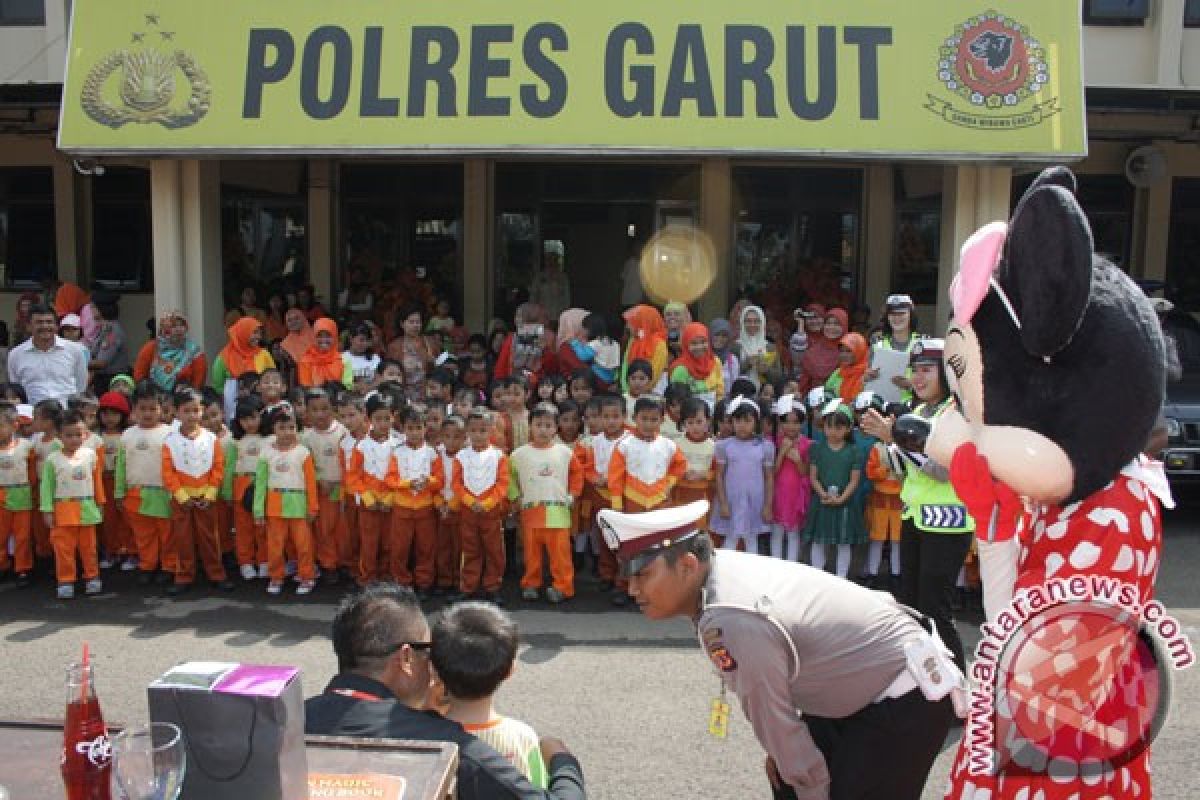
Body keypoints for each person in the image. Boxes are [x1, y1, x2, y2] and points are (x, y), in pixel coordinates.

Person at [602, 501, 957, 800]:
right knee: (790, 777)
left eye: (642, 575)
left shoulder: (730, 618)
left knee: (806, 780)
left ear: (687, 565)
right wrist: (788, 760)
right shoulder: (718, 570)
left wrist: (806, 779)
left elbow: (773, 714)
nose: (632, 588)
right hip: (865, 681)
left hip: (905, 695)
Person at [304, 584, 587, 800]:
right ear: (405, 658)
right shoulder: (444, 746)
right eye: (427, 651)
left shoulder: (280, 724)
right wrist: (562, 760)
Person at [860, 339, 973, 668]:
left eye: (927, 370)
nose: (919, 377)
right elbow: (903, 471)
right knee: (910, 604)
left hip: (948, 524)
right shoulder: (919, 412)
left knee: (935, 608)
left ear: (947, 373)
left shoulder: (958, 414)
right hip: (914, 518)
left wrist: (894, 438)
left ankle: (957, 691)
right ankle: (925, 684)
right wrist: (887, 445)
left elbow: (941, 471)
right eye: (916, 370)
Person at [433, 602, 548, 786]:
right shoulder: (523, 738)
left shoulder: (423, 738)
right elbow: (539, 790)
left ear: (434, 669)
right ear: (510, 670)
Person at [510, 403, 584, 604]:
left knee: (560, 554)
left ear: (556, 427)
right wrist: (515, 497)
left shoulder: (565, 453)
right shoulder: (518, 455)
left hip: (557, 512)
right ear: (530, 425)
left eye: (548, 425)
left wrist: (573, 494)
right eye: (538, 424)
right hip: (531, 511)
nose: (543, 429)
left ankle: (563, 586)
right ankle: (531, 583)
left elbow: (578, 474)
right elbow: (508, 477)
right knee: (531, 553)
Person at [161, 386, 231, 595]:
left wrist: (210, 494)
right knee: (182, 539)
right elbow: (168, 472)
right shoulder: (170, 441)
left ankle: (216, 574)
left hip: (205, 498)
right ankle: (184, 576)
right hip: (182, 500)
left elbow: (218, 467)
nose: (192, 415)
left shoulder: (211, 439)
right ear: (176, 412)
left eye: (196, 410)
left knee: (210, 537)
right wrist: (181, 496)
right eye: (186, 411)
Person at [253, 406, 319, 595]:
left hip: (299, 504)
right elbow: (260, 483)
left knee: (303, 545)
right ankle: (276, 576)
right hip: (275, 505)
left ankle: (307, 576)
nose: (287, 432)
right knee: (275, 545)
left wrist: (313, 507)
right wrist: (258, 510)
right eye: (282, 428)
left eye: (291, 427)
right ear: (274, 429)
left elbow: (311, 483)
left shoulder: (303, 452)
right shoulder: (266, 452)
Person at [42, 409, 106, 598]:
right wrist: (47, 510)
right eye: (69, 435)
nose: (74, 439)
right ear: (59, 436)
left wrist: (100, 502)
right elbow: (47, 487)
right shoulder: (53, 459)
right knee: (64, 549)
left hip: (86, 508)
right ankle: (66, 580)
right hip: (63, 510)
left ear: (85, 434)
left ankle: (92, 577)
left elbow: (97, 481)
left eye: (78, 434)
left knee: (89, 548)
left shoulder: (90, 455)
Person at [115, 383, 174, 585]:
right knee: (143, 534)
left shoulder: (170, 434)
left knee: (167, 533)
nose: (147, 413)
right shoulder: (127, 435)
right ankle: (148, 564)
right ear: (134, 410)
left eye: (152, 408)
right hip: (136, 493)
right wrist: (119, 492)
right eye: (143, 408)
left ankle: (169, 565)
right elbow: (121, 466)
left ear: (162, 409)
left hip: (163, 493)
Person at [803, 401, 866, 578]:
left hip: (845, 503)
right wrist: (823, 494)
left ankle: (841, 578)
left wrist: (841, 498)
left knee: (843, 542)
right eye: (829, 427)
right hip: (822, 501)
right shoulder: (817, 449)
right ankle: (817, 575)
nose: (833, 431)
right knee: (818, 540)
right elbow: (813, 476)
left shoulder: (854, 451)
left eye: (839, 427)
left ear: (848, 428)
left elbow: (854, 480)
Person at [453, 409, 511, 603]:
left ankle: (492, 586)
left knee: (494, 549)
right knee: (470, 548)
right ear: (467, 432)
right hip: (468, 510)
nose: (479, 435)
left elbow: (502, 484)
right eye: (474, 431)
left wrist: (487, 503)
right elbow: (456, 483)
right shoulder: (461, 456)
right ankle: (469, 586)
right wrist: (470, 501)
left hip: (490, 510)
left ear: (491, 430)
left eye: (483, 430)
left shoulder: (499, 456)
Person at [346, 393, 401, 586]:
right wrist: (368, 498)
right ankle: (367, 577)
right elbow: (353, 476)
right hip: (369, 504)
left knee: (389, 542)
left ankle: (386, 575)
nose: (383, 423)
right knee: (369, 543)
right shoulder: (361, 446)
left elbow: (402, 474)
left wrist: (389, 498)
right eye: (378, 419)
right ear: (369, 420)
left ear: (393, 417)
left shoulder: (399, 445)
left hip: (390, 502)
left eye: (387, 418)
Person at [389, 407, 444, 595]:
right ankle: (401, 582)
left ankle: (424, 582)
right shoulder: (396, 452)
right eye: (410, 428)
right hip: (402, 508)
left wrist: (427, 481)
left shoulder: (432, 452)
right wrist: (407, 484)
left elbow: (440, 479)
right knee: (399, 548)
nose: (414, 432)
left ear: (425, 429)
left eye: (418, 428)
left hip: (425, 508)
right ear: (403, 429)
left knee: (426, 547)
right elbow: (390, 479)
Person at [713, 397, 774, 553]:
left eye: (747, 421)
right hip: (732, 500)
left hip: (754, 501)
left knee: (751, 539)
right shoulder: (724, 446)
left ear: (756, 422)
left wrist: (767, 505)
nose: (742, 425)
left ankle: (750, 574)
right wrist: (723, 503)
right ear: (732, 422)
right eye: (738, 420)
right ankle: (726, 573)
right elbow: (719, 476)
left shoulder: (765, 447)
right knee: (731, 539)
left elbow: (768, 477)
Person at [301, 387, 349, 585]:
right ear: (307, 412)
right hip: (323, 489)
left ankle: (345, 562)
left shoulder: (343, 432)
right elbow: (307, 465)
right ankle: (329, 564)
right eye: (314, 409)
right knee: (325, 529)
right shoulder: (306, 437)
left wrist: (341, 481)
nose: (320, 414)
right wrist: (320, 480)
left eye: (325, 409)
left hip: (343, 487)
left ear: (333, 410)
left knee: (344, 528)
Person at [6, 304, 89, 405]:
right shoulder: (15, 355)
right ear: (28, 326)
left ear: (56, 326)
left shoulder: (74, 350)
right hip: (33, 415)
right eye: (39, 322)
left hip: (67, 415)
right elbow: (16, 390)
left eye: (49, 322)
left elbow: (81, 386)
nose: (45, 326)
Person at [770, 395, 811, 563]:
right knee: (777, 532)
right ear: (780, 423)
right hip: (777, 493)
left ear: (802, 423)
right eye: (787, 421)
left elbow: (805, 472)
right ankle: (776, 566)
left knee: (793, 534)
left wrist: (797, 459)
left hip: (796, 495)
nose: (791, 426)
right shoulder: (774, 442)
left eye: (796, 422)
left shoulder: (808, 444)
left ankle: (791, 566)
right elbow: (772, 472)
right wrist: (782, 452)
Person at [211, 318, 276, 418]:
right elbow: (218, 388)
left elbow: (273, 379)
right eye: (254, 333)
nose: (258, 337)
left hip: (261, 407)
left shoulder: (264, 354)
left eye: (259, 333)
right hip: (232, 410)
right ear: (243, 332)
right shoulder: (223, 357)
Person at [0, 405, 36, 586]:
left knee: (22, 535)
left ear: (15, 426)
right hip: (1, 495)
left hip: (21, 495)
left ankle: (23, 567)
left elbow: (31, 471)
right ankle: (2, 565)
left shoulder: (26, 446)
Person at [864, 295, 921, 404]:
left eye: (901, 314)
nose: (896, 318)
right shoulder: (877, 344)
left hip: (912, 407)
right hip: (880, 406)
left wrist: (910, 385)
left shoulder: (921, 344)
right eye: (892, 314)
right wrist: (867, 377)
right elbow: (865, 381)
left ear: (911, 315)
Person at [133, 311, 207, 393]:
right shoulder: (152, 348)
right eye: (174, 326)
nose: (179, 329)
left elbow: (199, 382)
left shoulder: (194, 350)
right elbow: (139, 377)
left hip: (184, 400)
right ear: (164, 329)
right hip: (154, 399)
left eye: (182, 325)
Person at [668, 322, 724, 408]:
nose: (699, 347)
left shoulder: (715, 362)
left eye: (703, 342)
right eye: (694, 343)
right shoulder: (680, 368)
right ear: (686, 344)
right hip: (691, 417)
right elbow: (677, 400)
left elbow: (720, 391)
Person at [620, 305, 669, 390]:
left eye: (632, 322)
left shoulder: (659, 344)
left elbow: (654, 372)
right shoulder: (634, 340)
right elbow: (626, 365)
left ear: (642, 322)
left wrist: (641, 390)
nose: (628, 326)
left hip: (649, 392)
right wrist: (626, 388)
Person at [298, 318, 353, 388]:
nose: (323, 340)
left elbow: (348, 387)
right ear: (313, 337)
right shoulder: (305, 361)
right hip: (313, 398)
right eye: (319, 336)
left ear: (335, 337)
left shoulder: (344, 360)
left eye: (328, 336)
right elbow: (306, 388)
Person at [797, 305, 839, 394]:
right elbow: (798, 361)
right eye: (810, 318)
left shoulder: (845, 347)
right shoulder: (802, 339)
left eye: (818, 317)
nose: (814, 321)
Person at [736, 305, 778, 387]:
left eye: (756, 321)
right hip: (741, 395)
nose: (752, 325)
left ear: (762, 323)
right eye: (748, 321)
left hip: (765, 396)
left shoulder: (770, 347)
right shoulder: (735, 346)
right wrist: (747, 363)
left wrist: (766, 370)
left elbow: (779, 378)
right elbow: (730, 375)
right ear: (742, 323)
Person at [824, 333, 869, 404]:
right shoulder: (839, 372)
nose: (844, 355)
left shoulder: (868, 374)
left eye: (849, 351)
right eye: (841, 351)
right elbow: (826, 393)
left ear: (860, 351)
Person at [708, 319, 740, 397]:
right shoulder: (703, 357)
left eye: (724, 336)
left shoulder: (732, 360)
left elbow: (734, 386)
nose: (720, 338)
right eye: (716, 334)